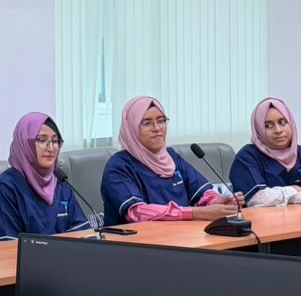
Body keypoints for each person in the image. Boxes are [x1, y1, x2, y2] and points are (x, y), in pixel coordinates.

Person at [100, 96, 244, 225]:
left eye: (161, 121)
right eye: (147, 123)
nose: (157, 128)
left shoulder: (171, 157)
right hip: (134, 243)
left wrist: (217, 201)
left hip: (179, 237)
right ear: (131, 128)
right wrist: (195, 213)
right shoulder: (118, 167)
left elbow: (202, 193)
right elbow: (137, 213)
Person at [0, 112, 90, 242]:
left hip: (58, 255)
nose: (51, 148)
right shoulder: (4, 189)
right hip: (12, 255)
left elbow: (82, 236)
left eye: (55, 141)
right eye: (42, 140)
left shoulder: (61, 186)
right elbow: (8, 246)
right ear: (24, 144)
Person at [230, 97, 301, 206]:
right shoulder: (247, 156)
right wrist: (293, 190)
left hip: (299, 216)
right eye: (268, 126)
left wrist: (279, 197)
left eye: (283, 122)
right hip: (262, 217)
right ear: (258, 129)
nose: (278, 130)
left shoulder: (300, 153)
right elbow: (258, 199)